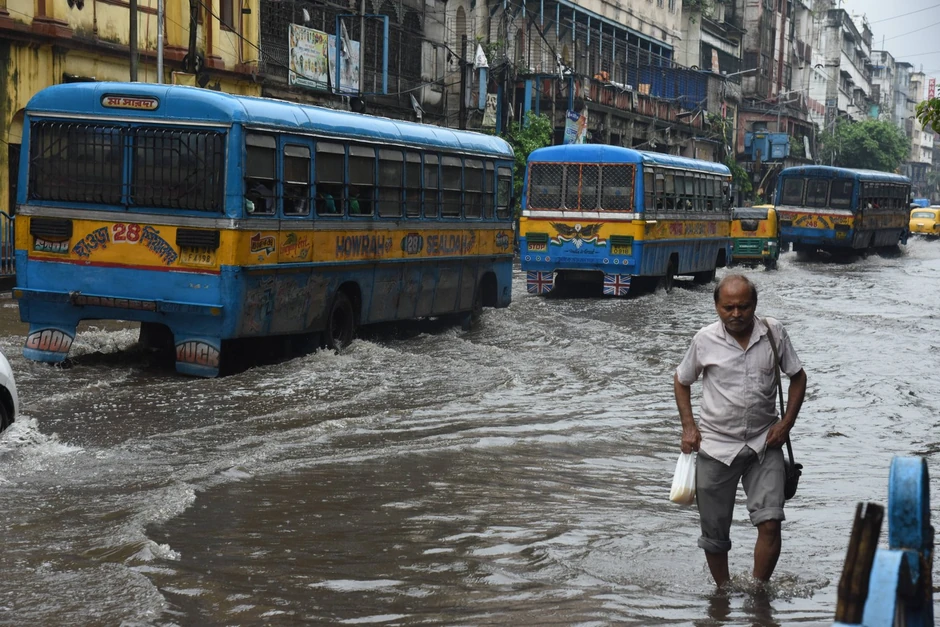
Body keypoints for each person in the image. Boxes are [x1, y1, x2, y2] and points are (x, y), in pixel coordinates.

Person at [673, 274, 807, 587]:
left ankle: (758, 592)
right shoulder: (704, 340)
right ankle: (723, 592)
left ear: (754, 305)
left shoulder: (774, 333)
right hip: (716, 447)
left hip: (765, 443)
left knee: (771, 522)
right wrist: (688, 427)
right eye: (728, 307)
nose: (736, 314)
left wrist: (785, 425)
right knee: (714, 532)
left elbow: (798, 377)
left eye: (743, 307)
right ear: (717, 307)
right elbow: (681, 380)